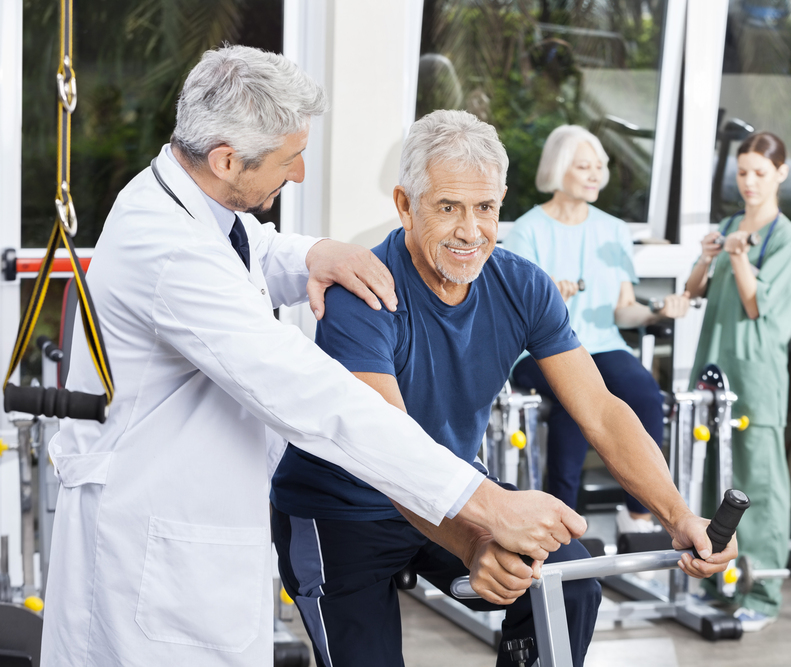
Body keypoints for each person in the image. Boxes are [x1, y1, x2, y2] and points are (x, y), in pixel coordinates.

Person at [40, 47, 585, 667]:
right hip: (150, 549)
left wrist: (312, 254)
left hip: (195, 535)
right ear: (225, 160)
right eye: (289, 157)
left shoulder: (180, 197)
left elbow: (249, 249)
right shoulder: (170, 252)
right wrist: (483, 502)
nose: (299, 172)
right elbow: (312, 395)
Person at [269, 110, 737, 667]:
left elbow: (603, 412)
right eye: (448, 208)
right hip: (341, 506)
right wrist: (473, 540)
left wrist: (677, 516)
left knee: (566, 584)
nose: (471, 231)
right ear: (404, 205)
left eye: (485, 208)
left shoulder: (522, 286)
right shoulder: (363, 291)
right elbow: (385, 450)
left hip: (449, 484)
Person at [504, 125, 690, 535]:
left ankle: (638, 519)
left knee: (643, 392)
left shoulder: (613, 230)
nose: (594, 175)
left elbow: (624, 311)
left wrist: (657, 312)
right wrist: (549, 296)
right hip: (542, 349)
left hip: (602, 344)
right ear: (558, 169)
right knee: (576, 402)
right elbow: (514, 312)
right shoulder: (529, 231)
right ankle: (563, 526)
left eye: (599, 167)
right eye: (583, 166)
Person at [684, 131, 791, 632]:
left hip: (755, 372)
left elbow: (756, 304)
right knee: (714, 475)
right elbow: (692, 291)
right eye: (742, 172)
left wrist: (737, 256)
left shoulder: (784, 236)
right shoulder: (729, 224)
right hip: (715, 364)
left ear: (781, 173)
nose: (749, 182)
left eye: (759, 172)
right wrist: (711, 254)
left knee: (759, 483)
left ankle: (764, 591)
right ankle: (719, 583)